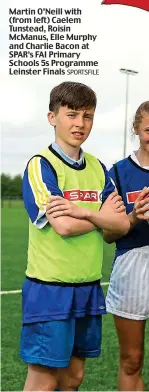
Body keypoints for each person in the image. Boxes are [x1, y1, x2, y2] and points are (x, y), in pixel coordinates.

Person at [20, 81, 130, 392]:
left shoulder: (97, 167)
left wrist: (84, 213)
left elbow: (120, 225)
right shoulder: (41, 166)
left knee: (73, 379)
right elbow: (62, 226)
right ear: (52, 117)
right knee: (43, 381)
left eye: (87, 116)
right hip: (50, 289)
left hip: (87, 287)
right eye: (71, 114)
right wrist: (101, 216)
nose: (80, 124)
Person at [104, 101, 149, 391]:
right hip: (134, 264)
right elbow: (108, 234)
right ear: (136, 129)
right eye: (148, 129)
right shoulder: (118, 172)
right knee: (132, 359)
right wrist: (133, 216)